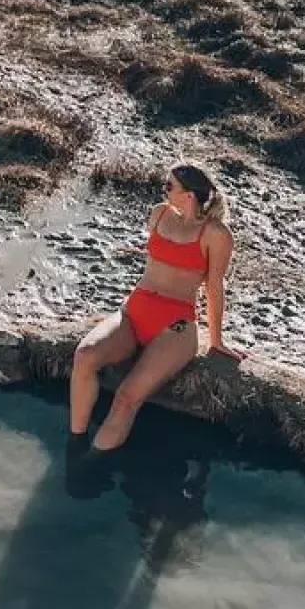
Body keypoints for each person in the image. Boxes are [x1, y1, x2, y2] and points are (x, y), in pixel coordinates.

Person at [68, 164, 239, 452]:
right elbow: (154, 267)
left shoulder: (216, 234)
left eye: (169, 186)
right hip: (134, 311)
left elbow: (214, 287)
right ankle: (74, 445)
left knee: (126, 397)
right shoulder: (159, 213)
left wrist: (217, 340)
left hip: (176, 324)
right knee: (84, 355)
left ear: (189, 195)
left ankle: (90, 464)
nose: (164, 190)